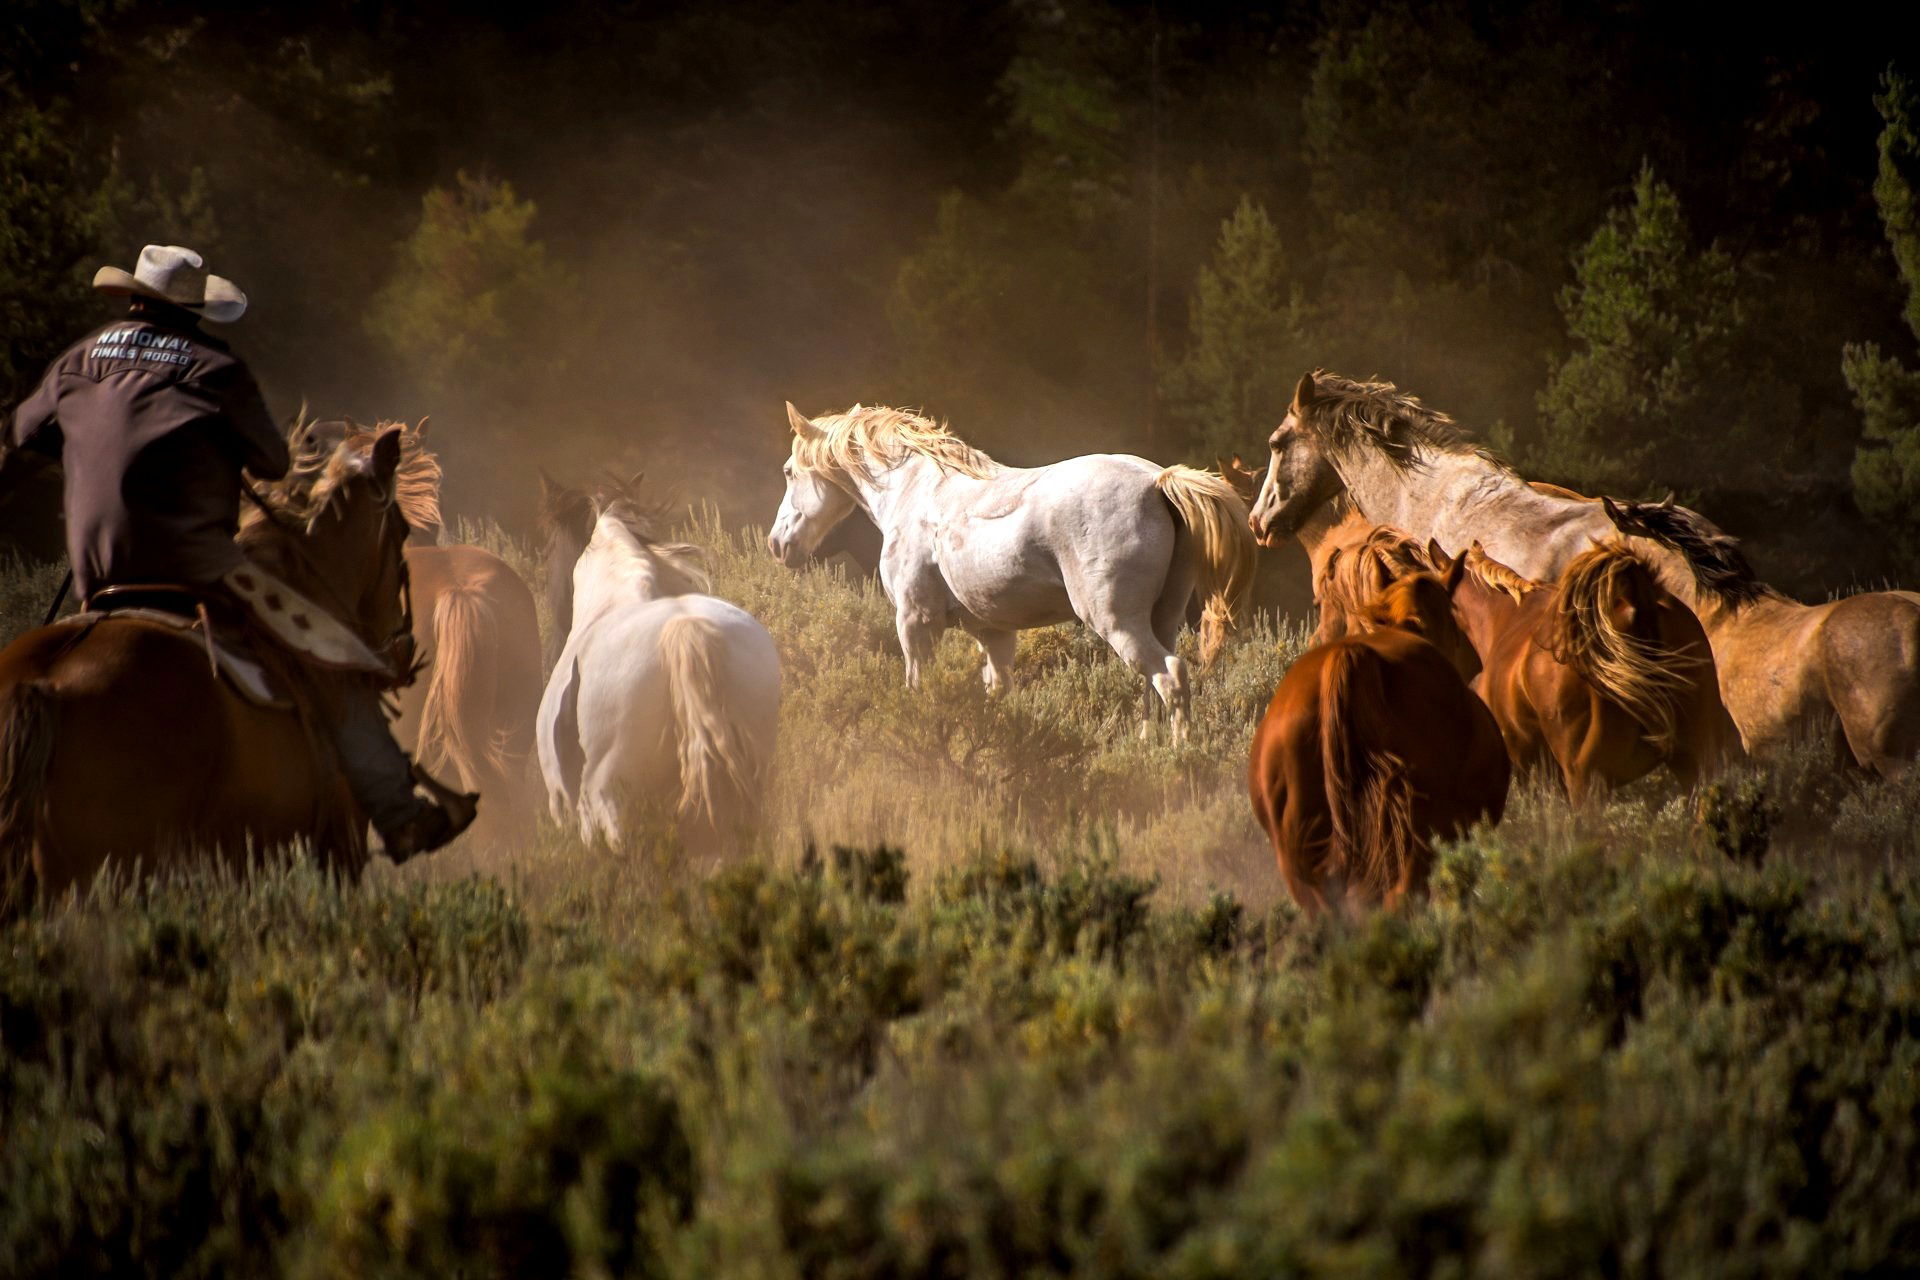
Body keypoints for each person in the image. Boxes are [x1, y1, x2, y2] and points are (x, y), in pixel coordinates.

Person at [1, 244, 475, 859]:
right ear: (196, 310)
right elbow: (273, 462)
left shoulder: (77, 362)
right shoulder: (213, 367)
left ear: (133, 297)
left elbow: (14, 443)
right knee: (334, 657)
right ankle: (399, 810)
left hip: (100, 573)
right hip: (198, 571)